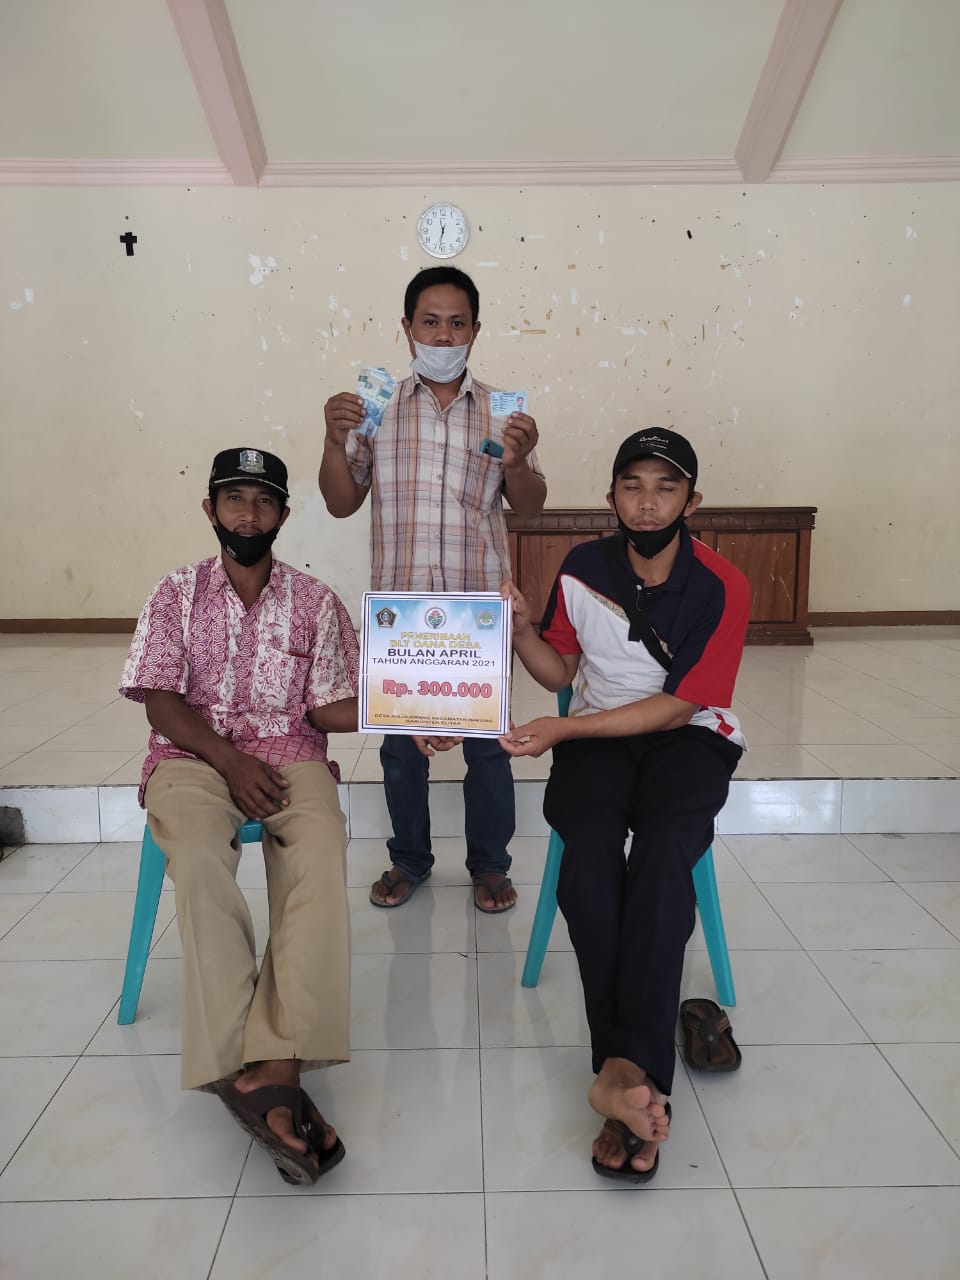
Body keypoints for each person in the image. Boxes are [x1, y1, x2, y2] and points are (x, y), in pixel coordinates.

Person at [499, 429, 749, 1183]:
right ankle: (632, 1076)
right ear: (611, 497)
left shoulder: (723, 584)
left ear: (691, 503)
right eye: (632, 486)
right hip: (599, 740)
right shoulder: (583, 566)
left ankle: (621, 1075)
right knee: (589, 856)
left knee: (667, 855)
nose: (647, 503)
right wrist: (521, 632)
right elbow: (559, 672)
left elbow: (679, 707)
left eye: (665, 488)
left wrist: (566, 730)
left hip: (688, 739)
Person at [120, 447, 359, 1186]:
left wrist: (409, 712)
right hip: (193, 756)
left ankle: (277, 1059)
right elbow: (160, 701)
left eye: (263, 501)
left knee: (319, 847)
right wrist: (228, 761)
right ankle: (240, 1060)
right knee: (197, 859)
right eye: (234, 499)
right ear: (211, 509)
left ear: (284, 514)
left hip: (291, 752)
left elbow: (327, 706)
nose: (248, 515)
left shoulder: (316, 601)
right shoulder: (175, 592)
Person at [319, 266, 547, 913]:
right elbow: (341, 501)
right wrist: (333, 440)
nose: (443, 335)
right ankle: (409, 860)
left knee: (489, 748)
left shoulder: (503, 412)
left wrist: (519, 463)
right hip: (401, 614)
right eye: (430, 321)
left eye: (456, 323)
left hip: (478, 613)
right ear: (407, 327)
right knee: (400, 751)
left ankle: (490, 866)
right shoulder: (374, 405)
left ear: (475, 330)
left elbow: (529, 507)